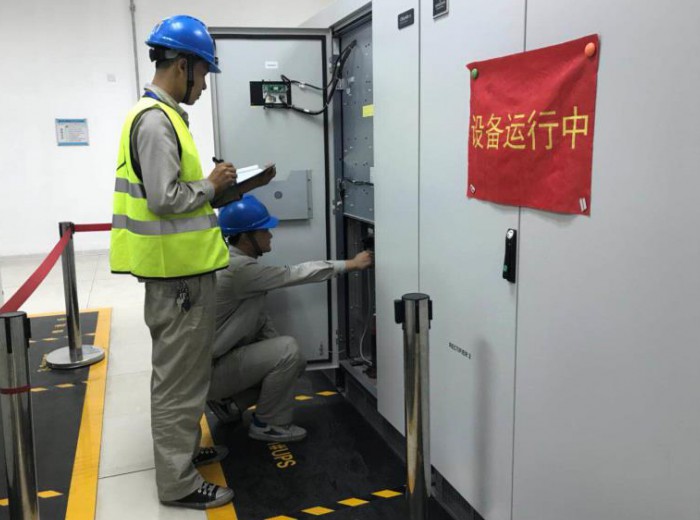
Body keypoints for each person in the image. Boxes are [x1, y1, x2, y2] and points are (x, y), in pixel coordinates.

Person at [109, 15, 251, 510]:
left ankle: (183, 453)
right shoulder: (155, 121)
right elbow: (165, 198)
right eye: (204, 73)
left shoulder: (164, 117)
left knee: (185, 377)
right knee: (178, 383)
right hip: (177, 280)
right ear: (183, 65)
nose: (205, 84)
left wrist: (216, 189)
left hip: (183, 274)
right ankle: (177, 482)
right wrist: (210, 185)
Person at [207, 195, 373, 442]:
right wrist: (352, 264)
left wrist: (289, 362)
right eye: (264, 230)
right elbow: (297, 274)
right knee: (288, 351)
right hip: (210, 373)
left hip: (212, 367)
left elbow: (259, 319)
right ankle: (268, 424)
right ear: (245, 237)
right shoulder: (239, 271)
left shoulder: (232, 264)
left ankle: (230, 404)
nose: (270, 235)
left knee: (293, 361)